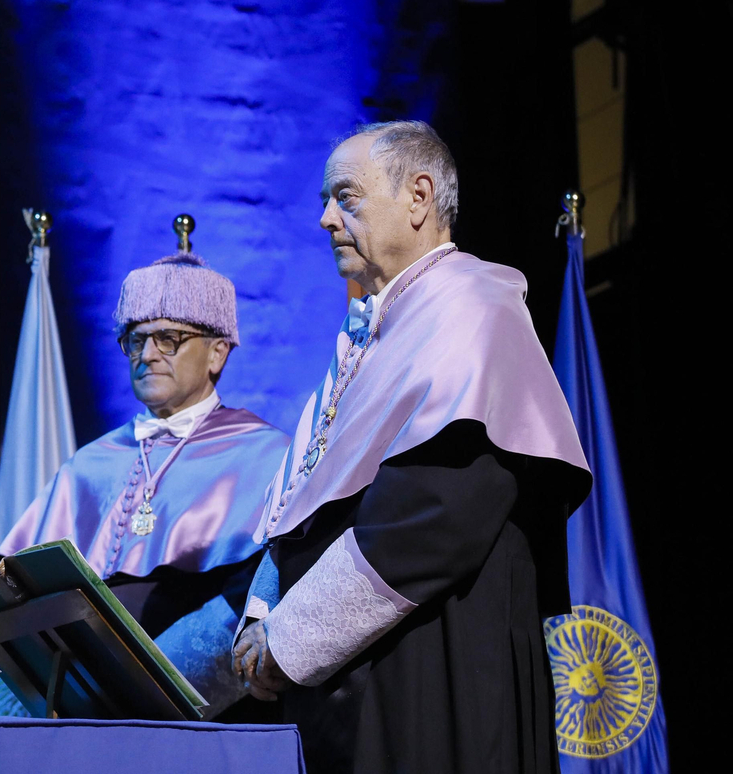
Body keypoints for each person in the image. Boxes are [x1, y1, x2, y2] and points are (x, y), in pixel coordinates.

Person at [232, 121, 591, 773]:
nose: (324, 220)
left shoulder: (472, 307)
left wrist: (285, 638)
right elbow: (304, 495)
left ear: (419, 196)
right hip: (347, 687)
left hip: (430, 674)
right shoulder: (372, 336)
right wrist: (261, 616)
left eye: (345, 196)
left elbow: (433, 514)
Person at [0, 245, 293, 716]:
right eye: (135, 340)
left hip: (195, 706)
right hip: (78, 701)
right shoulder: (90, 463)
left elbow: (261, 590)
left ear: (217, 352)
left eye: (169, 338)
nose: (148, 354)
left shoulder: (264, 452)